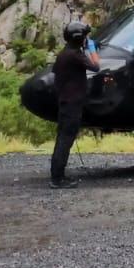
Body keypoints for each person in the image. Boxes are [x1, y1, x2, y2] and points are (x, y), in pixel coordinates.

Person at [50, 19, 99, 188]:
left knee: (61, 139)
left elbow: (56, 74)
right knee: (66, 141)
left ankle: (57, 175)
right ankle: (58, 179)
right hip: (73, 104)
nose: (86, 39)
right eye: (85, 36)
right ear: (79, 38)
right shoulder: (75, 55)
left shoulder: (64, 53)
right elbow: (96, 67)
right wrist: (91, 49)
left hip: (64, 102)